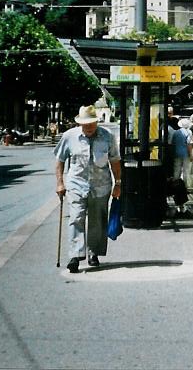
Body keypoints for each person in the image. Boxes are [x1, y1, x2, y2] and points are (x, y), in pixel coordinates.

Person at [54, 105, 122, 273]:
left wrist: (118, 183)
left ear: (97, 122)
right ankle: (75, 256)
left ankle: (94, 252)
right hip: (77, 184)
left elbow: (115, 161)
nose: (89, 127)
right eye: (85, 124)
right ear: (80, 123)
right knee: (76, 218)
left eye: (91, 123)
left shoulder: (107, 137)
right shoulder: (69, 136)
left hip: (101, 186)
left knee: (97, 221)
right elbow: (60, 160)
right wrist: (60, 183)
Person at [169, 118, 193, 213]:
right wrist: (191, 155)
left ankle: (175, 184)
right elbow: (189, 145)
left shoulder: (176, 132)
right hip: (185, 154)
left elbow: (172, 143)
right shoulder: (189, 132)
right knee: (186, 171)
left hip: (176, 153)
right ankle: (185, 186)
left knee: (177, 170)